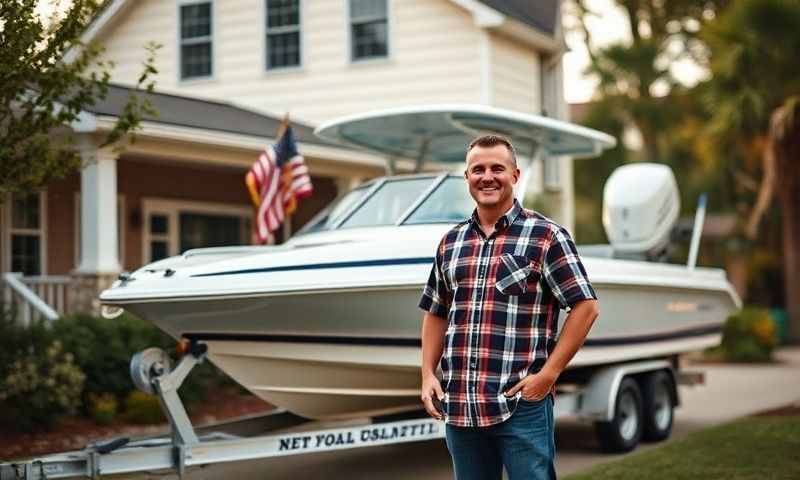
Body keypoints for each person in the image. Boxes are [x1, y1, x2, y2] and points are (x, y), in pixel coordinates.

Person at [418, 134, 599, 480]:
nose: (487, 176)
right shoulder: (451, 243)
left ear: (515, 176)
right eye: (478, 169)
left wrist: (548, 375)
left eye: (497, 168)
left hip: (521, 406)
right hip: (461, 408)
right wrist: (427, 374)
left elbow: (586, 307)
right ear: (467, 178)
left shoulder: (546, 236)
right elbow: (436, 311)